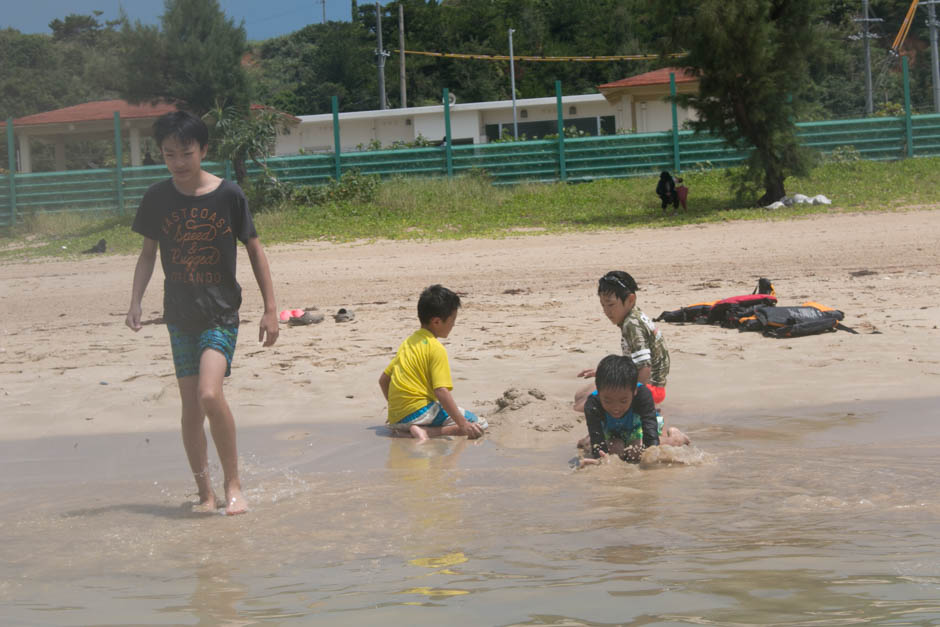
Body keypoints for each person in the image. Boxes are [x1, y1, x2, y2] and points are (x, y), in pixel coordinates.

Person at [125, 110, 279, 516]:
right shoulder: (157, 197)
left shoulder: (228, 195)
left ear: (204, 150)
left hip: (221, 313)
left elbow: (256, 250)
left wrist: (270, 310)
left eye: (186, 153)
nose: (178, 162)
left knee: (209, 394)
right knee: (190, 407)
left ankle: (233, 485)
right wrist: (136, 300)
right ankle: (204, 493)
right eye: (169, 154)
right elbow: (146, 255)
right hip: (179, 315)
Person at [574, 271, 684, 448]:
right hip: (642, 381)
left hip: (649, 387)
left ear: (630, 300)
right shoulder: (633, 317)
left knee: (581, 406)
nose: (607, 311)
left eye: (611, 305)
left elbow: (645, 366)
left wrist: (634, 399)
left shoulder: (631, 325)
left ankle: (672, 437)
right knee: (582, 395)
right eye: (603, 305)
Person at [379, 284, 487, 442]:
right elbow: (441, 391)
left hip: (397, 417)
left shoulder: (408, 342)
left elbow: (383, 380)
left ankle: (406, 429)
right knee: (478, 423)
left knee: (442, 414)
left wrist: (398, 410)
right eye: (453, 320)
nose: (453, 325)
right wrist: (463, 425)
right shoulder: (436, 348)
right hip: (420, 413)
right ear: (436, 322)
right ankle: (428, 432)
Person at [579, 355, 688, 468]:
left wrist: (651, 456)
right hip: (611, 430)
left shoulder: (643, 395)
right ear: (598, 390)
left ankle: (676, 437)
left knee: (635, 451)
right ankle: (587, 440)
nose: (616, 407)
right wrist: (600, 460)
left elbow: (650, 436)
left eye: (623, 401)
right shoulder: (592, 404)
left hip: (638, 426)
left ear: (634, 390)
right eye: (607, 401)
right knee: (616, 450)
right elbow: (598, 445)